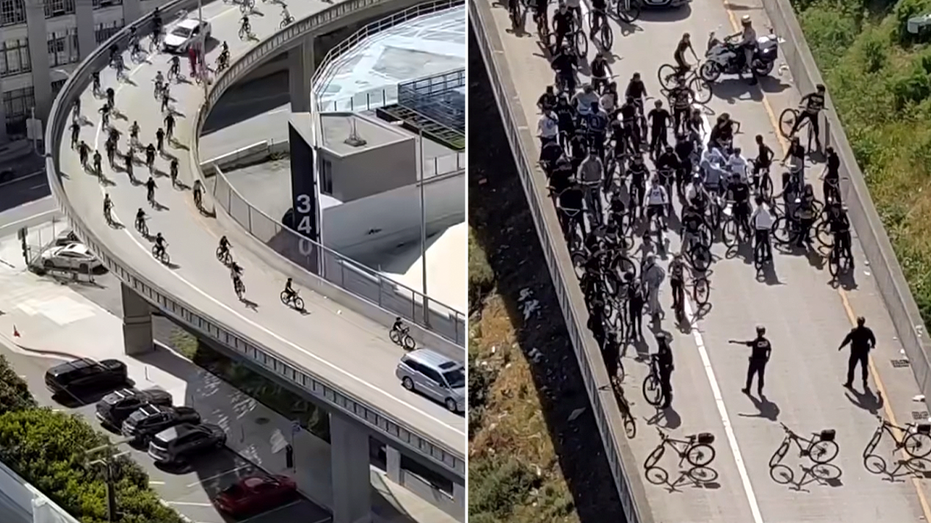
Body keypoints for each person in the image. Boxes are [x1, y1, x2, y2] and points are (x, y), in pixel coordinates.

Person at [729, 325, 772, 395]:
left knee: (750, 375)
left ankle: (748, 389)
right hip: (762, 361)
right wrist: (767, 358)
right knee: (761, 376)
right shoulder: (766, 342)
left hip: (754, 361)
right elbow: (769, 349)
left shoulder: (756, 342)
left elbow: (745, 343)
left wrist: (734, 341)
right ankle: (760, 390)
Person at [838, 316, 875, 389]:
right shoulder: (867, 331)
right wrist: (873, 345)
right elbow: (873, 339)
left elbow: (847, 339)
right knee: (864, 367)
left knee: (851, 367)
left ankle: (849, 382)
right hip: (864, 352)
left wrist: (841, 346)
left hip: (855, 352)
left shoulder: (854, 332)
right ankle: (865, 381)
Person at [790, 84, 826, 151]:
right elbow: (804, 97)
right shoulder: (812, 95)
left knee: (816, 127)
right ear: (819, 91)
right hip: (807, 111)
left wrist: (820, 108)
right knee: (798, 121)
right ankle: (792, 132)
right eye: (822, 92)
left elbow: (822, 106)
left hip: (814, 114)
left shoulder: (822, 98)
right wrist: (801, 103)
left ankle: (816, 139)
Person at [733, 15, 758, 84]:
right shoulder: (746, 29)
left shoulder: (750, 32)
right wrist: (731, 36)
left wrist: (738, 44)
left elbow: (746, 41)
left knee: (749, 63)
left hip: (749, 48)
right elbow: (740, 32)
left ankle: (754, 79)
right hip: (745, 46)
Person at [642, 253, 666, 321]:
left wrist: (659, 282)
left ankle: (654, 315)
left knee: (653, 301)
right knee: (654, 300)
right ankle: (660, 311)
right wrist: (643, 281)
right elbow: (644, 275)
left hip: (655, 286)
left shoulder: (656, 267)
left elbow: (662, 274)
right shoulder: (646, 266)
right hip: (650, 285)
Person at [750, 195, 774, 263]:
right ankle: (769, 254)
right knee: (766, 241)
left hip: (759, 227)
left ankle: (756, 254)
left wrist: (750, 224)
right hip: (767, 227)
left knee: (758, 241)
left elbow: (752, 216)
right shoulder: (766, 206)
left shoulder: (758, 208)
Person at [654, 333, 674, 408]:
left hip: (666, 368)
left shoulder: (664, 347)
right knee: (665, 381)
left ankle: (667, 402)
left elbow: (662, 355)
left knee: (664, 384)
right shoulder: (663, 345)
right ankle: (668, 388)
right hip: (665, 367)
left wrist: (655, 355)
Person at [624, 271, 644, 341]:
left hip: (635, 301)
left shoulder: (636, 283)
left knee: (636, 316)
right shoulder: (636, 281)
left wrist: (631, 296)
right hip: (637, 301)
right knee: (636, 316)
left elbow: (637, 292)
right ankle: (636, 331)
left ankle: (636, 331)